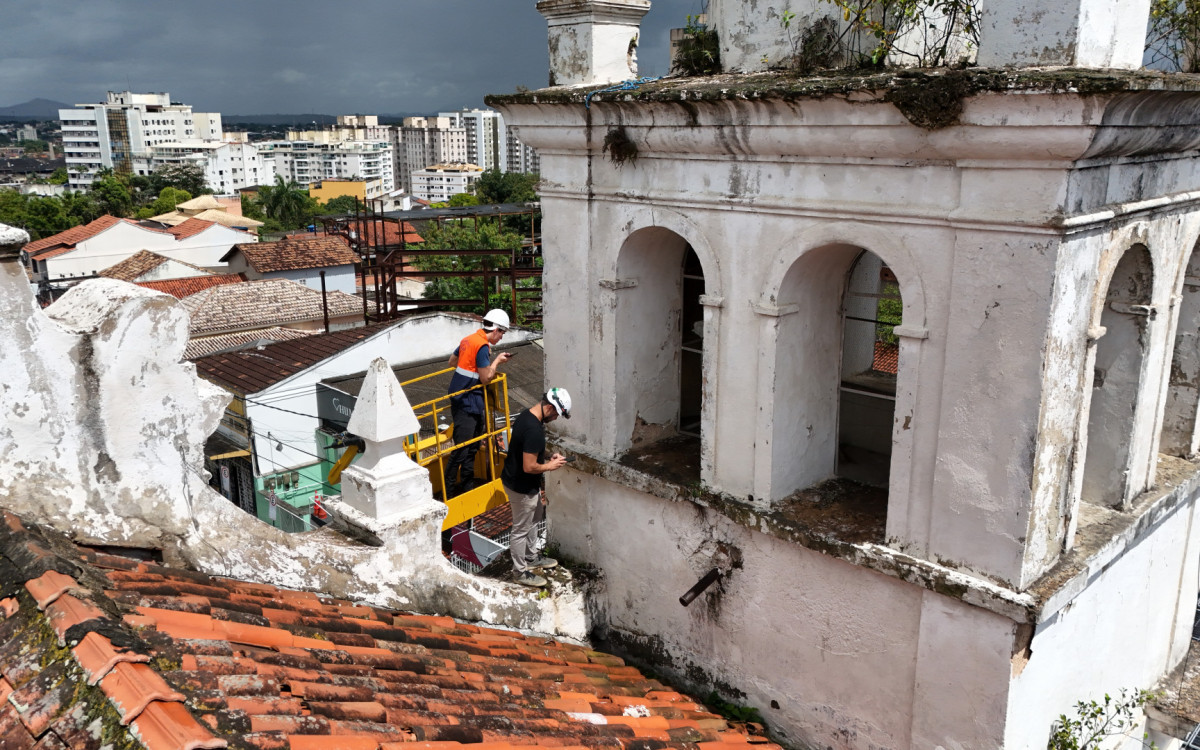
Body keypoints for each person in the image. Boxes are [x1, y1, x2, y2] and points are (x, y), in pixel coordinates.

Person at [502, 387, 572, 588]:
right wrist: (550, 466)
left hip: (522, 483)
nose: (556, 418)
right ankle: (519, 571)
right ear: (550, 407)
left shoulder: (527, 416)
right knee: (521, 529)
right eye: (557, 414)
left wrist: (549, 455)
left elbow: (530, 450)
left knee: (536, 515)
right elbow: (529, 466)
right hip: (521, 487)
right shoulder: (534, 430)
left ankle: (531, 557)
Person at [444, 309, 513, 497]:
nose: (501, 337)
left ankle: (465, 488)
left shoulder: (469, 339)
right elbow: (485, 378)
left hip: (464, 399)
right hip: (468, 402)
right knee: (462, 450)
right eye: (502, 333)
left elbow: (452, 362)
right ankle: (449, 493)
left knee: (470, 448)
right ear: (496, 329)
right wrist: (497, 361)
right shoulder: (482, 346)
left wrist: (470, 369)